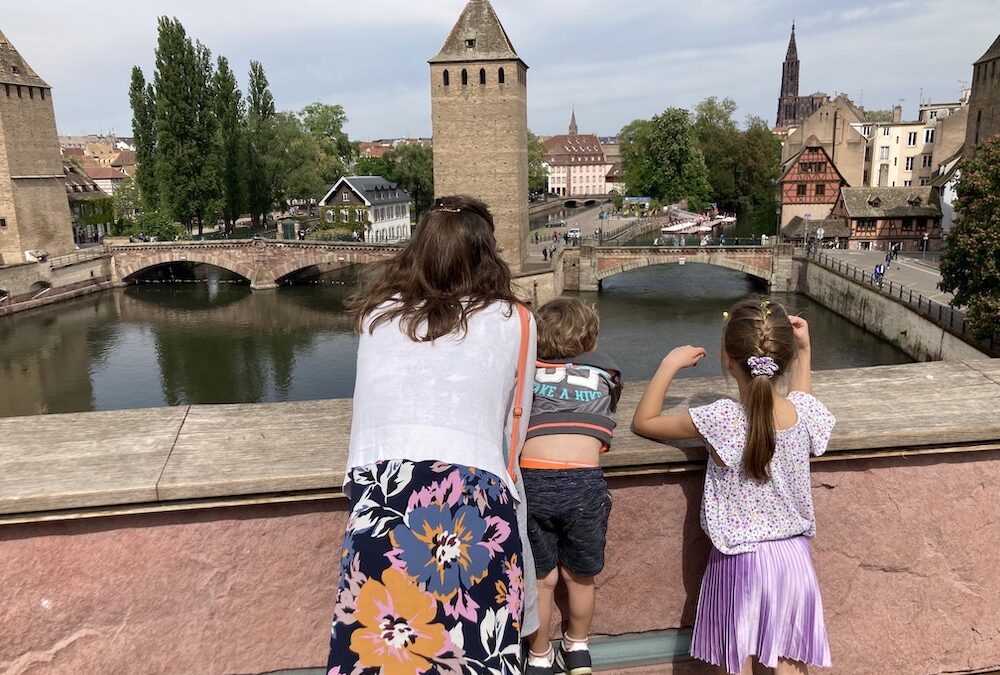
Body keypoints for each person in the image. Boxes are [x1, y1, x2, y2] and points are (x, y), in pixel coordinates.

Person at [326, 195, 539, 674]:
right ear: (487, 253)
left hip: (382, 497)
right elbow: (514, 430)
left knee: (384, 655)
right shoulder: (516, 320)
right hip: (473, 500)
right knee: (474, 655)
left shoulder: (376, 316)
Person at [631, 297, 834, 674]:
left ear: (728, 357)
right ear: (784, 360)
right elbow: (802, 395)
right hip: (793, 561)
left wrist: (669, 365)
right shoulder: (804, 414)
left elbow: (644, 422)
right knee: (788, 663)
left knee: (735, 663)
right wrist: (805, 349)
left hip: (740, 561)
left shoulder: (722, 419)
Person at [521, 298, 623, 675]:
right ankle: (578, 647)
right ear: (590, 341)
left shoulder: (526, 373)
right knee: (580, 576)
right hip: (583, 482)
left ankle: (539, 654)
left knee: (542, 579)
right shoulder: (605, 375)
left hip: (532, 481)